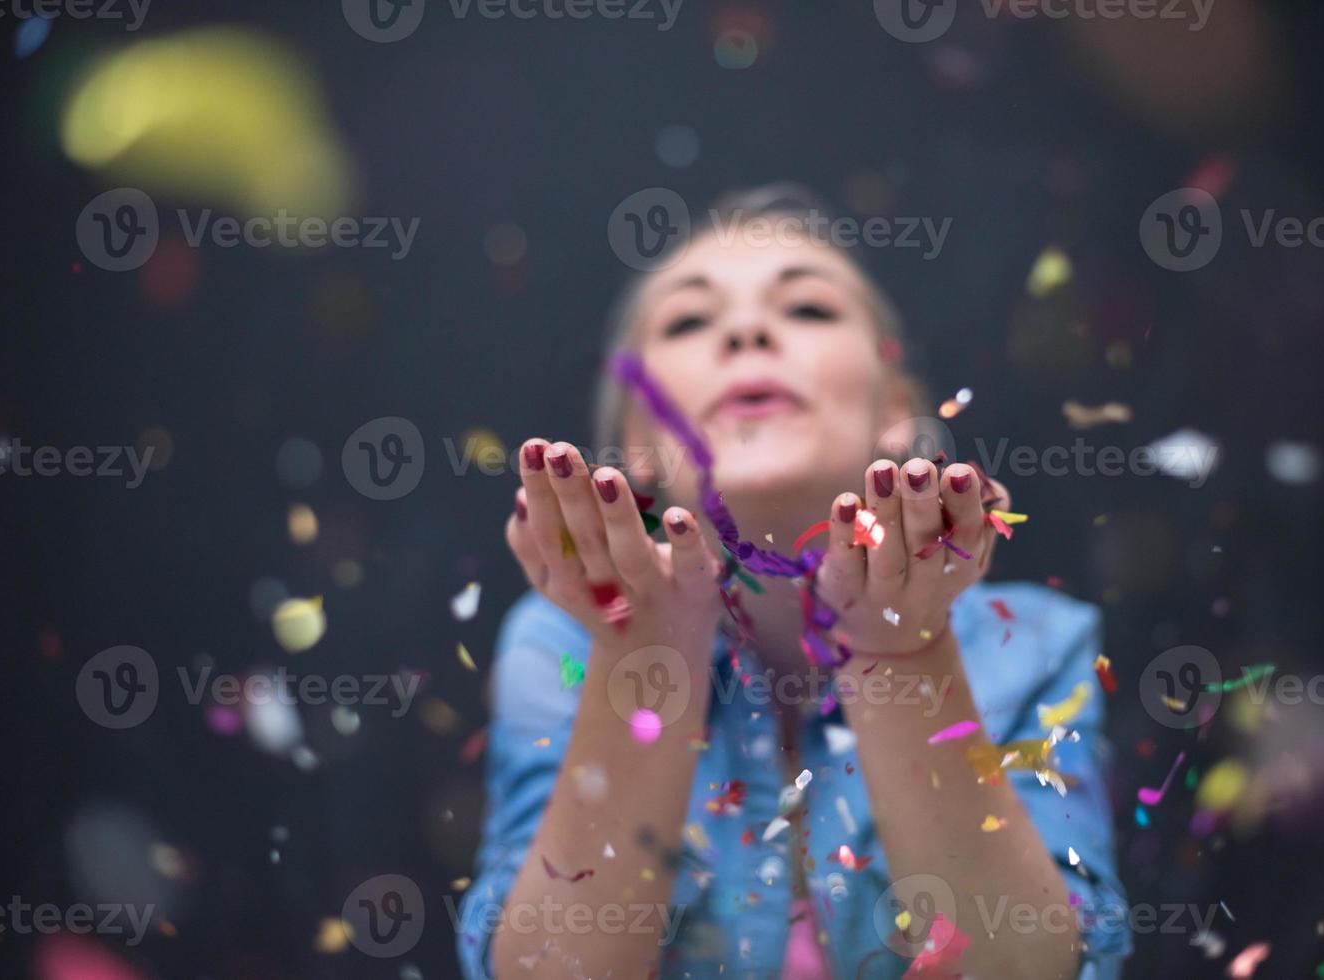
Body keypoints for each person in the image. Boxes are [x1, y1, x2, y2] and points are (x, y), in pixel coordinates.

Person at [457, 186, 1129, 979]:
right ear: (638, 441)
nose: (746, 332)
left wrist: (903, 651)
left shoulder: (1035, 643)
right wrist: (645, 654)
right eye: (687, 321)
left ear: (899, 413)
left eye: (807, 309)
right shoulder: (560, 640)